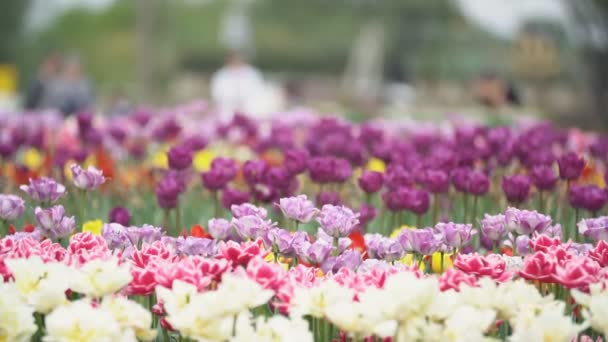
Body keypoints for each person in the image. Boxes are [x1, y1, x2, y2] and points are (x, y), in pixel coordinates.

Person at [210, 51, 264, 120]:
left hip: (249, 107)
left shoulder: (252, 73)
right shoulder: (221, 75)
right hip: (228, 107)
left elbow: (258, 91)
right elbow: (217, 93)